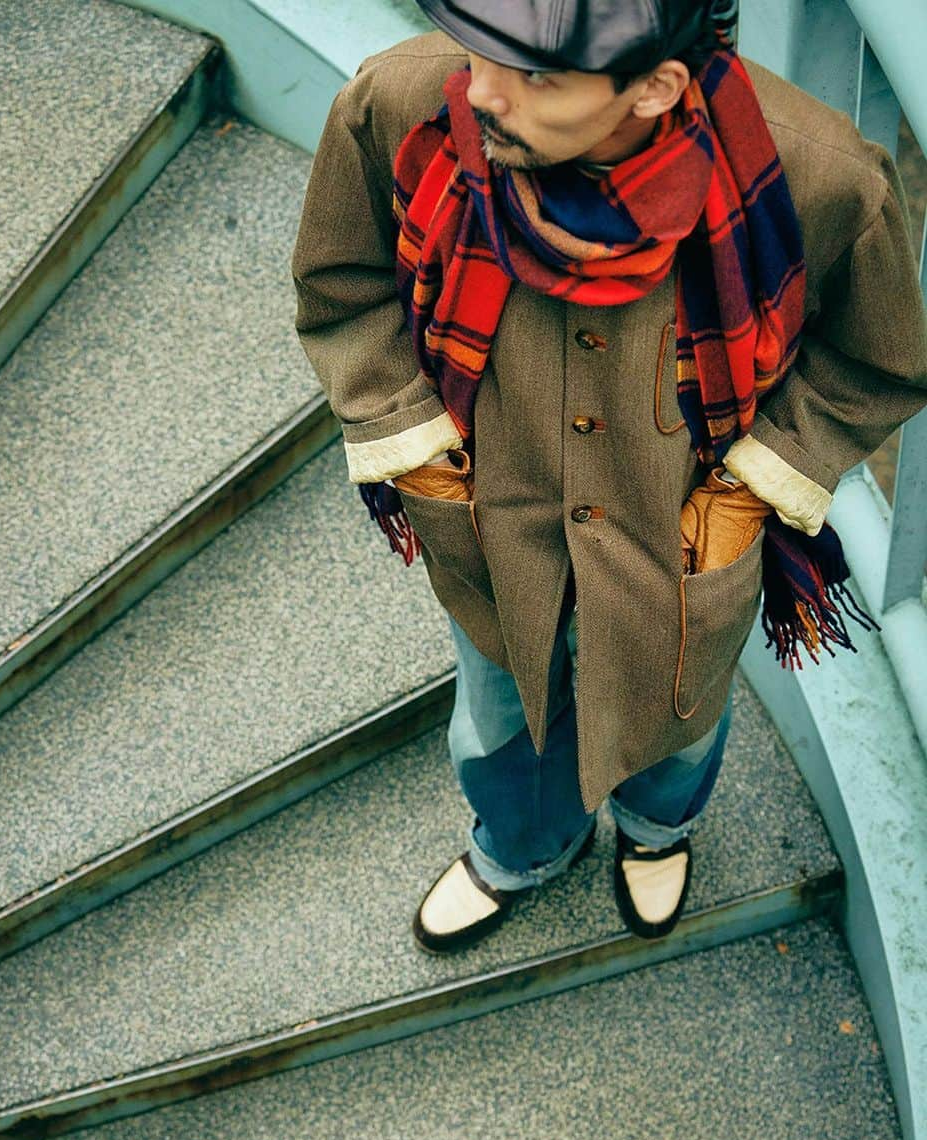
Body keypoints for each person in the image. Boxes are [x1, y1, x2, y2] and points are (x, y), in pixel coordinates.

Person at [290, 1, 927, 953]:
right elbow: (342, 285)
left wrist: (749, 488)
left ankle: (656, 829)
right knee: (502, 703)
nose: (484, 90)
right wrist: (412, 445)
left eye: (537, 75)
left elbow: (876, 364)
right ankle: (521, 846)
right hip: (491, 528)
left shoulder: (821, 181)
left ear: (657, 86)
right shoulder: (401, 105)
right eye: (485, 50)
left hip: (676, 547)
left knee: (678, 713)